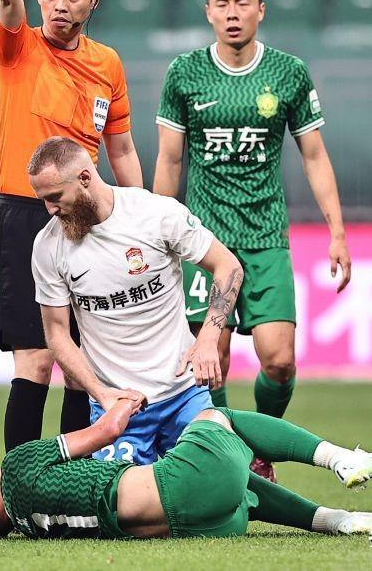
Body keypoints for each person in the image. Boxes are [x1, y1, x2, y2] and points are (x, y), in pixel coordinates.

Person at [153, 0, 352, 481]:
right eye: (222, 4)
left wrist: (336, 231)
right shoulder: (185, 73)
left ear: (261, 10)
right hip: (204, 242)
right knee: (210, 359)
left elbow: (314, 155)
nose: (232, 13)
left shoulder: (288, 73)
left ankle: (261, 444)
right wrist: (156, 234)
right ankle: (234, 456)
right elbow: (170, 160)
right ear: (208, 12)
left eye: (243, 3)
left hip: (265, 238)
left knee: (280, 361)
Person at [0, 0, 144, 452]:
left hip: (90, 219)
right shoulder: (18, 47)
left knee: (85, 361)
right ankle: (20, 482)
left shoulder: (108, 64)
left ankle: (73, 483)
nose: (60, 5)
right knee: (35, 358)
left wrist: (139, 212)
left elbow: (121, 149)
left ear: (94, 1)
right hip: (25, 216)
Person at [0, 393, 372, 540]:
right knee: (217, 417)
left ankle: (339, 521)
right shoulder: (16, 466)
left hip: (203, 524)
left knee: (242, 487)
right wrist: (126, 401)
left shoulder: (30, 528)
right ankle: (342, 459)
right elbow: (105, 432)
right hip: (181, 484)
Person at [29, 137, 236, 464]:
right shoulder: (48, 245)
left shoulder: (154, 213)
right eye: (43, 200)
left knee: (217, 482)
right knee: (126, 498)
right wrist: (102, 394)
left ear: (85, 178)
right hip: (118, 409)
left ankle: (309, 494)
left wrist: (208, 338)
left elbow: (228, 266)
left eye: (55, 197)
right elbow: (57, 335)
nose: (50, 209)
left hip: (184, 396)